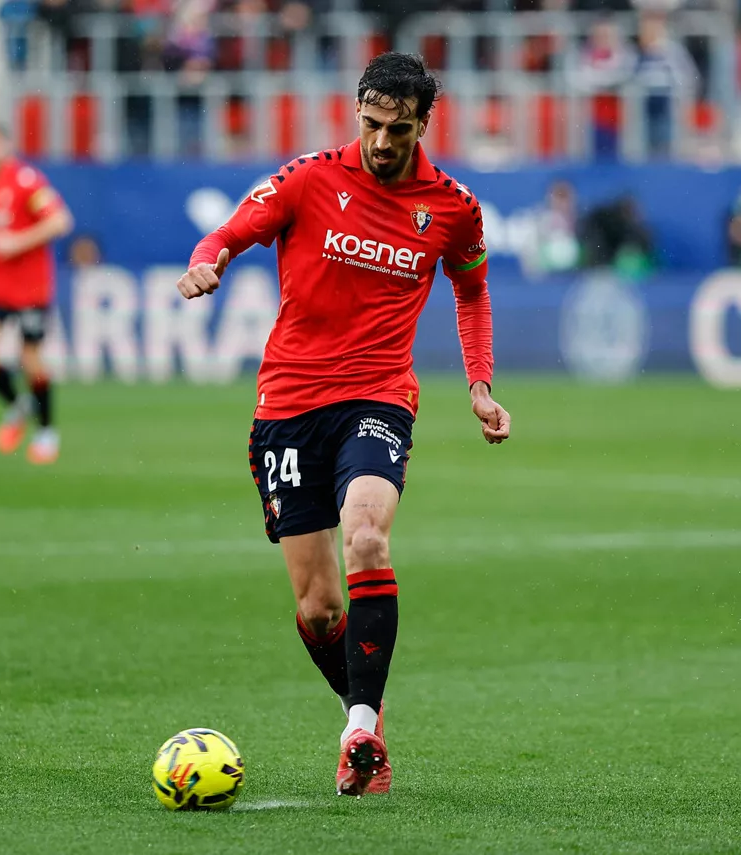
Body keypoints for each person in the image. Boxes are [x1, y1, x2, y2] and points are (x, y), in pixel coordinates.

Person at [178, 52, 511, 796]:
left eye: (399, 128)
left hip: (379, 396)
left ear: (425, 123)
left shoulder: (453, 207)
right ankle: (364, 701)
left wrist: (479, 384)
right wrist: (208, 262)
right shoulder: (310, 177)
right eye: (371, 123)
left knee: (367, 533)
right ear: (355, 112)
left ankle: (359, 727)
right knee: (320, 607)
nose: (383, 141)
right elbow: (229, 232)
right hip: (288, 407)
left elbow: (472, 291)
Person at [0, 123, 73, 464]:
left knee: (31, 360)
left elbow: (61, 221)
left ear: (6, 146)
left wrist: (18, 242)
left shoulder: (26, 180)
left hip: (31, 288)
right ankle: (19, 406)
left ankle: (47, 430)